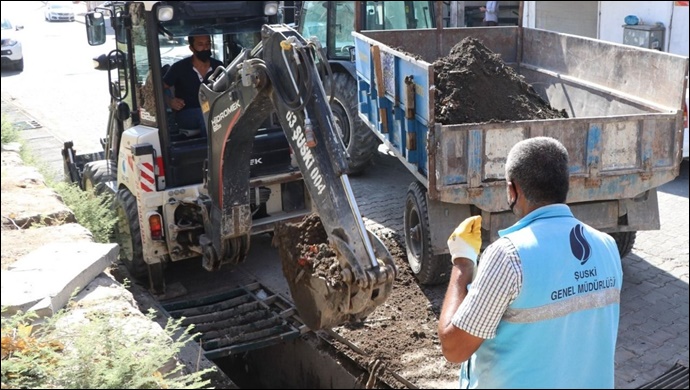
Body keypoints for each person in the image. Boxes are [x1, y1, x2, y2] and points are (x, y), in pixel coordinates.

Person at [438, 137, 623, 388]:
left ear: (512, 190)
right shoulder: (606, 246)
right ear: (564, 185)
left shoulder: (508, 256)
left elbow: (454, 348)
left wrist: (463, 263)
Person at [163, 28, 222, 137]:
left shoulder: (219, 66)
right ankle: (210, 150)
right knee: (204, 115)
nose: (205, 48)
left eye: (207, 44)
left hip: (217, 111)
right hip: (187, 114)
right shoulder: (179, 67)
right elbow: (161, 87)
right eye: (200, 44)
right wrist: (170, 101)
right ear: (191, 48)